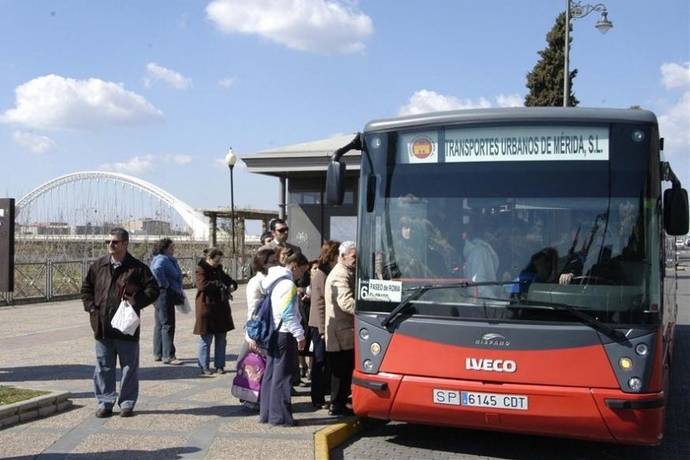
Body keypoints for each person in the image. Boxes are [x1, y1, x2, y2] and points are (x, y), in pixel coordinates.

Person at [80, 228, 159, 418]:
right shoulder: (98, 265)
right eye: (107, 241)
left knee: (129, 367)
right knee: (103, 366)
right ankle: (105, 402)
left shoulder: (138, 268)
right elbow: (86, 288)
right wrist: (91, 307)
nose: (110, 245)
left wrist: (136, 302)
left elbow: (153, 289)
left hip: (126, 326)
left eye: (114, 242)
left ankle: (127, 403)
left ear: (125, 244)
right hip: (102, 325)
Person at [259, 251, 308, 426]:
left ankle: (266, 413)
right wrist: (299, 334)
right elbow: (288, 314)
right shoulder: (288, 285)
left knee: (271, 374)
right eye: (302, 271)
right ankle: (280, 417)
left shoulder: (274, 282)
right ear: (294, 266)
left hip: (274, 331)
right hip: (285, 333)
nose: (302, 275)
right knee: (283, 377)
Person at [325, 241, 357, 416]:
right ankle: (337, 404)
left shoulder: (347, 272)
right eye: (353, 257)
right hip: (340, 331)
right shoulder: (340, 274)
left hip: (344, 330)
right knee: (340, 369)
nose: (355, 260)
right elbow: (345, 302)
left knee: (344, 368)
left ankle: (340, 401)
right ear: (342, 256)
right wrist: (365, 309)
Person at [194, 248, 238, 375]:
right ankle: (203, 366)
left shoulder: (218, 269)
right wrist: (218, 284)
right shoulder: (201, 269)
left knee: (221, 338)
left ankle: (220, 365)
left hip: (221, 309)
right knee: (206, 339)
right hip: (206, 308)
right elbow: (202, 285)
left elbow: (227, 279)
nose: (219, 262)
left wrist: (232, 284)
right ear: (209, 258)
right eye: (216, 260)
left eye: (220, 260)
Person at [308, 240, 340, 408]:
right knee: (319, 362)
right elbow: (319, 303)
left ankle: (323, 393)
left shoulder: (328, 272)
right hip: (319, 325)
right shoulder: (321, 274)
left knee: (326, 361)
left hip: (326, 324)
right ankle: (317, 398)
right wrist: (322, 329)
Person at [150, 238, 184, 365]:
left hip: (159, 294)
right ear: (165, 248)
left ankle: (158, 353)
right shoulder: (162, 259)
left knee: (160, 324)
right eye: (171, 247)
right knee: (168, 324)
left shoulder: (159, 258)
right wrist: (165, 284)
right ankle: (168, 355)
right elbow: (156, 270)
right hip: (164, 294)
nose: (173, 249)